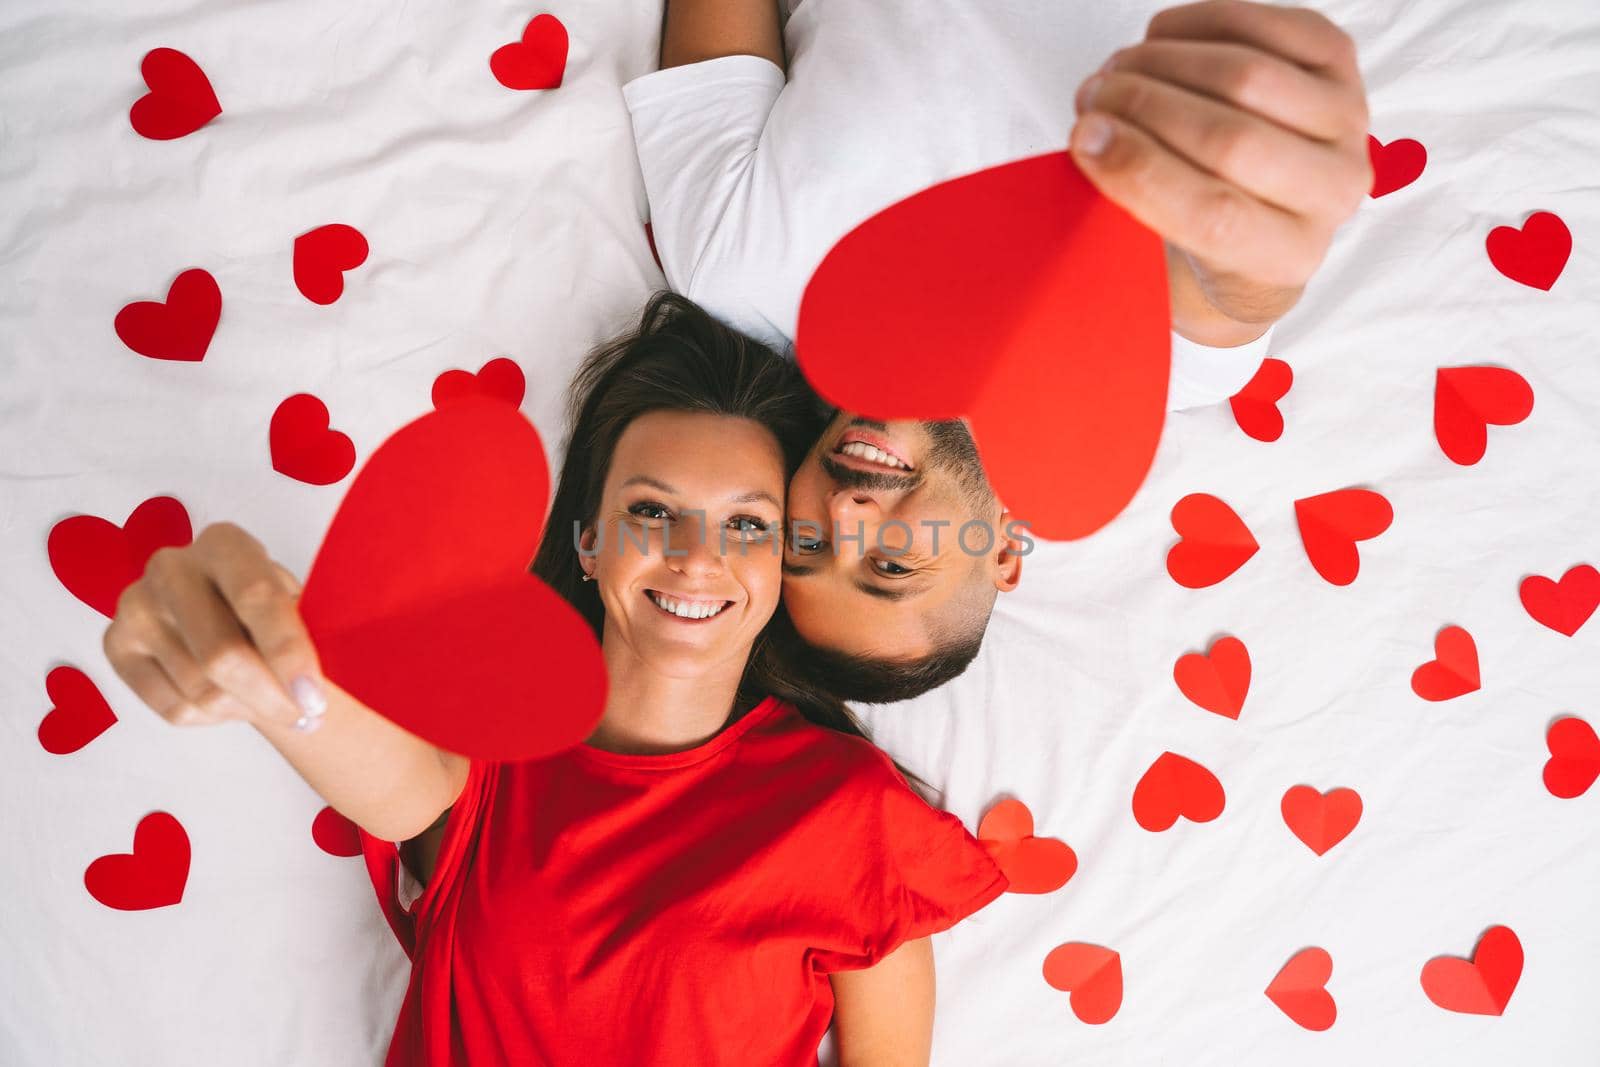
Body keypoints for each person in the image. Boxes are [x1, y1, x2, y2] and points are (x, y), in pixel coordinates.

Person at [101, 292, 1010, 1066]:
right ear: (586, 540)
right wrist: (258, 669)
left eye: (747, 525)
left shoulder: (850, 814)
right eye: (651, 511)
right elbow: (345, 741)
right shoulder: (484, 751)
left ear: (781, 563)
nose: (697, 560)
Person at [623, 0, 1375, 701]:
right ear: (1005, 553)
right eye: (890, 565)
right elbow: (1235, 285)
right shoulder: (1155, 370)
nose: (848, 515)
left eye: (807, 541)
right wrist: (1267, 212)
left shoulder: (732, 266)